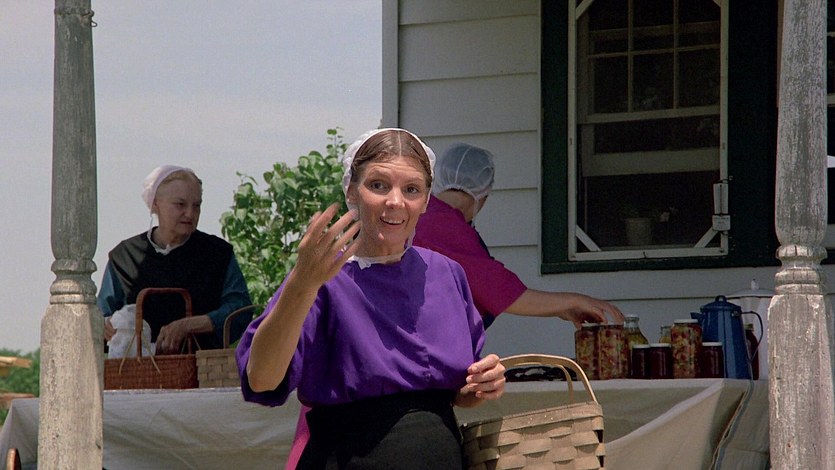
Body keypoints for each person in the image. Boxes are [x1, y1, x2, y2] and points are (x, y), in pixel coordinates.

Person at [236, 128, 506, 469]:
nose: (395, 201)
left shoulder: (446, 274)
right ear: (352, 190)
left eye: (411, 189)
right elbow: (262, 379)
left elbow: (451, 393)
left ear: (426, 200)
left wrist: (480, 385)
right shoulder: (322, 277)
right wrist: (301, 285)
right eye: (378, 185)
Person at [413, 142, 624, 329]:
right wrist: (574, 301)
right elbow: (500, 290)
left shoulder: (429, 216)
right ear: (483, 193)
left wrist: (560, 309)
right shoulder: (444, 226)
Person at [97, 165, 252, 354]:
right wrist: (106, 326)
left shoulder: (217, 254)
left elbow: (240, 309)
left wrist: (191, 325)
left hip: (204, 366)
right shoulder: (125, 257)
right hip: (138, 369)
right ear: (155, 204)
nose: (190, 213)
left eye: (196, 206)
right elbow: (100, 315)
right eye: (180, 205)